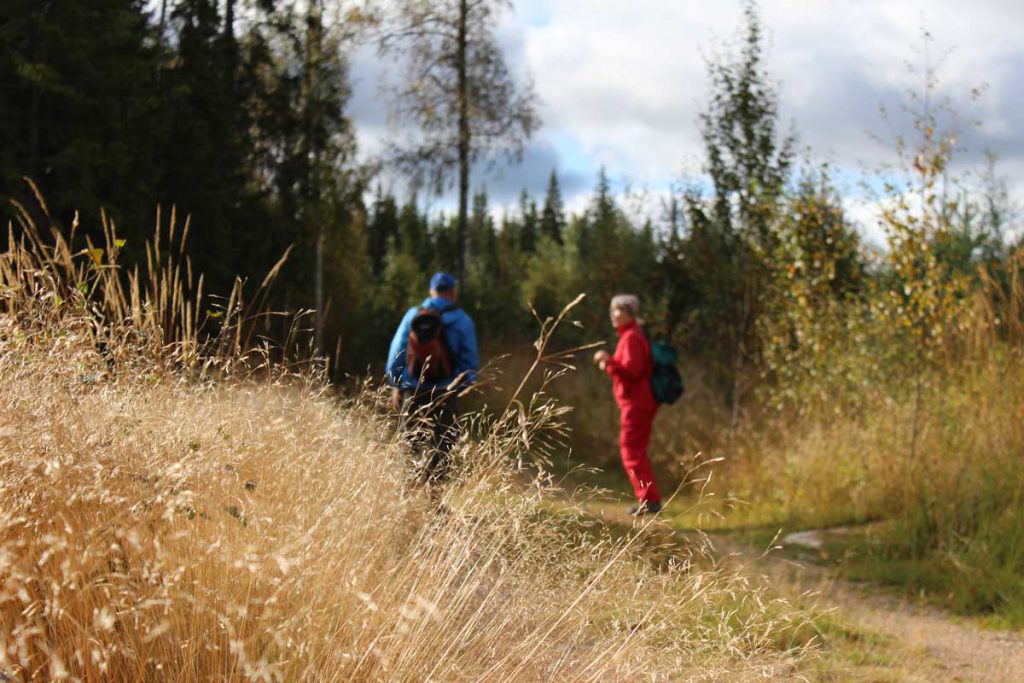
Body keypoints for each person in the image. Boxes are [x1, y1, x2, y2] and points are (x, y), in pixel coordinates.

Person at [385, 272, 478, 488]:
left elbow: (396, 354)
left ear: (431, 291)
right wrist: (461, 390)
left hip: (413, 391)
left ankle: (405, 499)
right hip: (446, 393)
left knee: (410, 446)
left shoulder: (412, 315)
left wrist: (397, 385)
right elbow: (469, 362)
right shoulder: (463, 321)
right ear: (453, 292)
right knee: (442, 448)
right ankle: (434, 503)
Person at [593, 294, 663, 515]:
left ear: (630, 313)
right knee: (634, 450)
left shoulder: (631, 337)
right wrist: (610, 364)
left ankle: (649, 501)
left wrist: (607, 361)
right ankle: (649, 499)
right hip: (636, 402)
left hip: (637, 403)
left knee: (631, 451)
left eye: (618, 310)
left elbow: (631, 372)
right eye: (612, 310)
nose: (613, 315)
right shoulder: (630, 336)